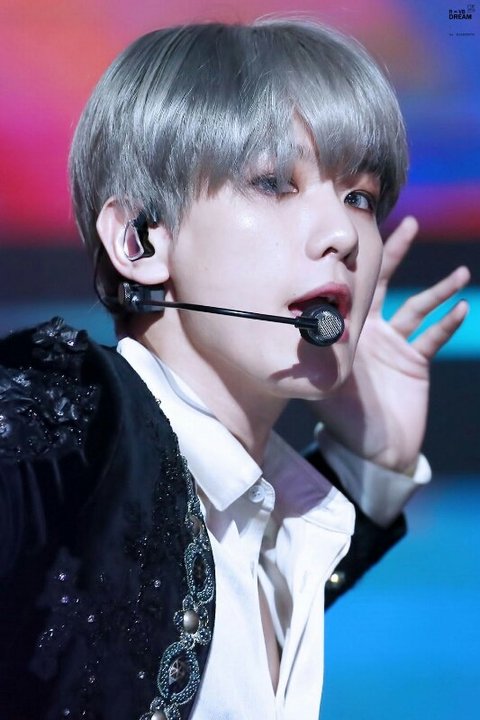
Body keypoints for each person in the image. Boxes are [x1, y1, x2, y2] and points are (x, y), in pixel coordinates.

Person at [0, 18, 469, 720]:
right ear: (139, 240)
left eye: (361, 198)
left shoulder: (249, 516)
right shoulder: (63, 425)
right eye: (276, 183)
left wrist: (370, 465)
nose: (343, 236)